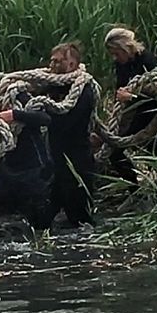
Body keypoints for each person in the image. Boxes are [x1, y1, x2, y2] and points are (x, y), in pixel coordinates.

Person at [103, 26, 157, 190]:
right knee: (115, 151)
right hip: (135, 113)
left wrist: (133, 97)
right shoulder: (121, 65)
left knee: (153, 153)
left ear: (125, 48)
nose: (115, 57)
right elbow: (121, 86)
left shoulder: (149, 61)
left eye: (116, 53)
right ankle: (133, 186)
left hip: (154, 113)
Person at [42, 42, 97, 228]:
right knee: (42, 218)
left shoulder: (82, 90)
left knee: (81, 220)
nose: (53, 66)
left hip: (77, 162)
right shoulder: (52, 86)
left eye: (59, 62)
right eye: (52, 61)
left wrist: (38, 110)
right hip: (57, 162)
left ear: (72, 64)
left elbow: (63, 122)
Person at [0, 91, 53, 232]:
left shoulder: (20, 97)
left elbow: (45, 118)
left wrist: (15, 115)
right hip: (7, 170)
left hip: (33, 169)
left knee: (40, 223)